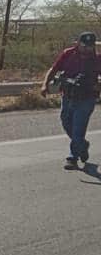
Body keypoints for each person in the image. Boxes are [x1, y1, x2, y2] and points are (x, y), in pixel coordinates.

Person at [40, 31, 101, 170]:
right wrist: (45, 84)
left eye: (90, 46)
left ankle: (72, 157)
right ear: (78, 43)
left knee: (78, 127)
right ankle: (82, 145)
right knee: (66, 123)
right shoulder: (68, 54)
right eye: (84, 45)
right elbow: (54, 69)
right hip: (68, 96)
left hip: (87, 98)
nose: (87, 49)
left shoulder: (97, 59)